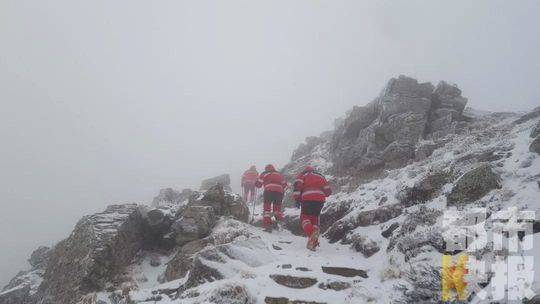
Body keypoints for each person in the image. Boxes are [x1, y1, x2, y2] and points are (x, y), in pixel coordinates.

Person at [293, 166, 331, 251]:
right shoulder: (320, 176)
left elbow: (297, 187)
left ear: (305, 170)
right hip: (320, 200)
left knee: (304, 218)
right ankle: (313, 243)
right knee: (315, 219)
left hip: (307, 198)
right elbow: (328, 191)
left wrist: (297, 198)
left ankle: (311, 233)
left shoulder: (302, 175)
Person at [255, 164, 288, 232]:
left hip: (269, 191)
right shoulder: (279, 174)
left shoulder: (265, 173)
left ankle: (268, 226)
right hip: (279, 192)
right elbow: (284, 185)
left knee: (267, 209)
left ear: (266, 169)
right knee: (277, 210)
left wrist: (256, 182)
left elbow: (259, 184)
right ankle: (281, 223)